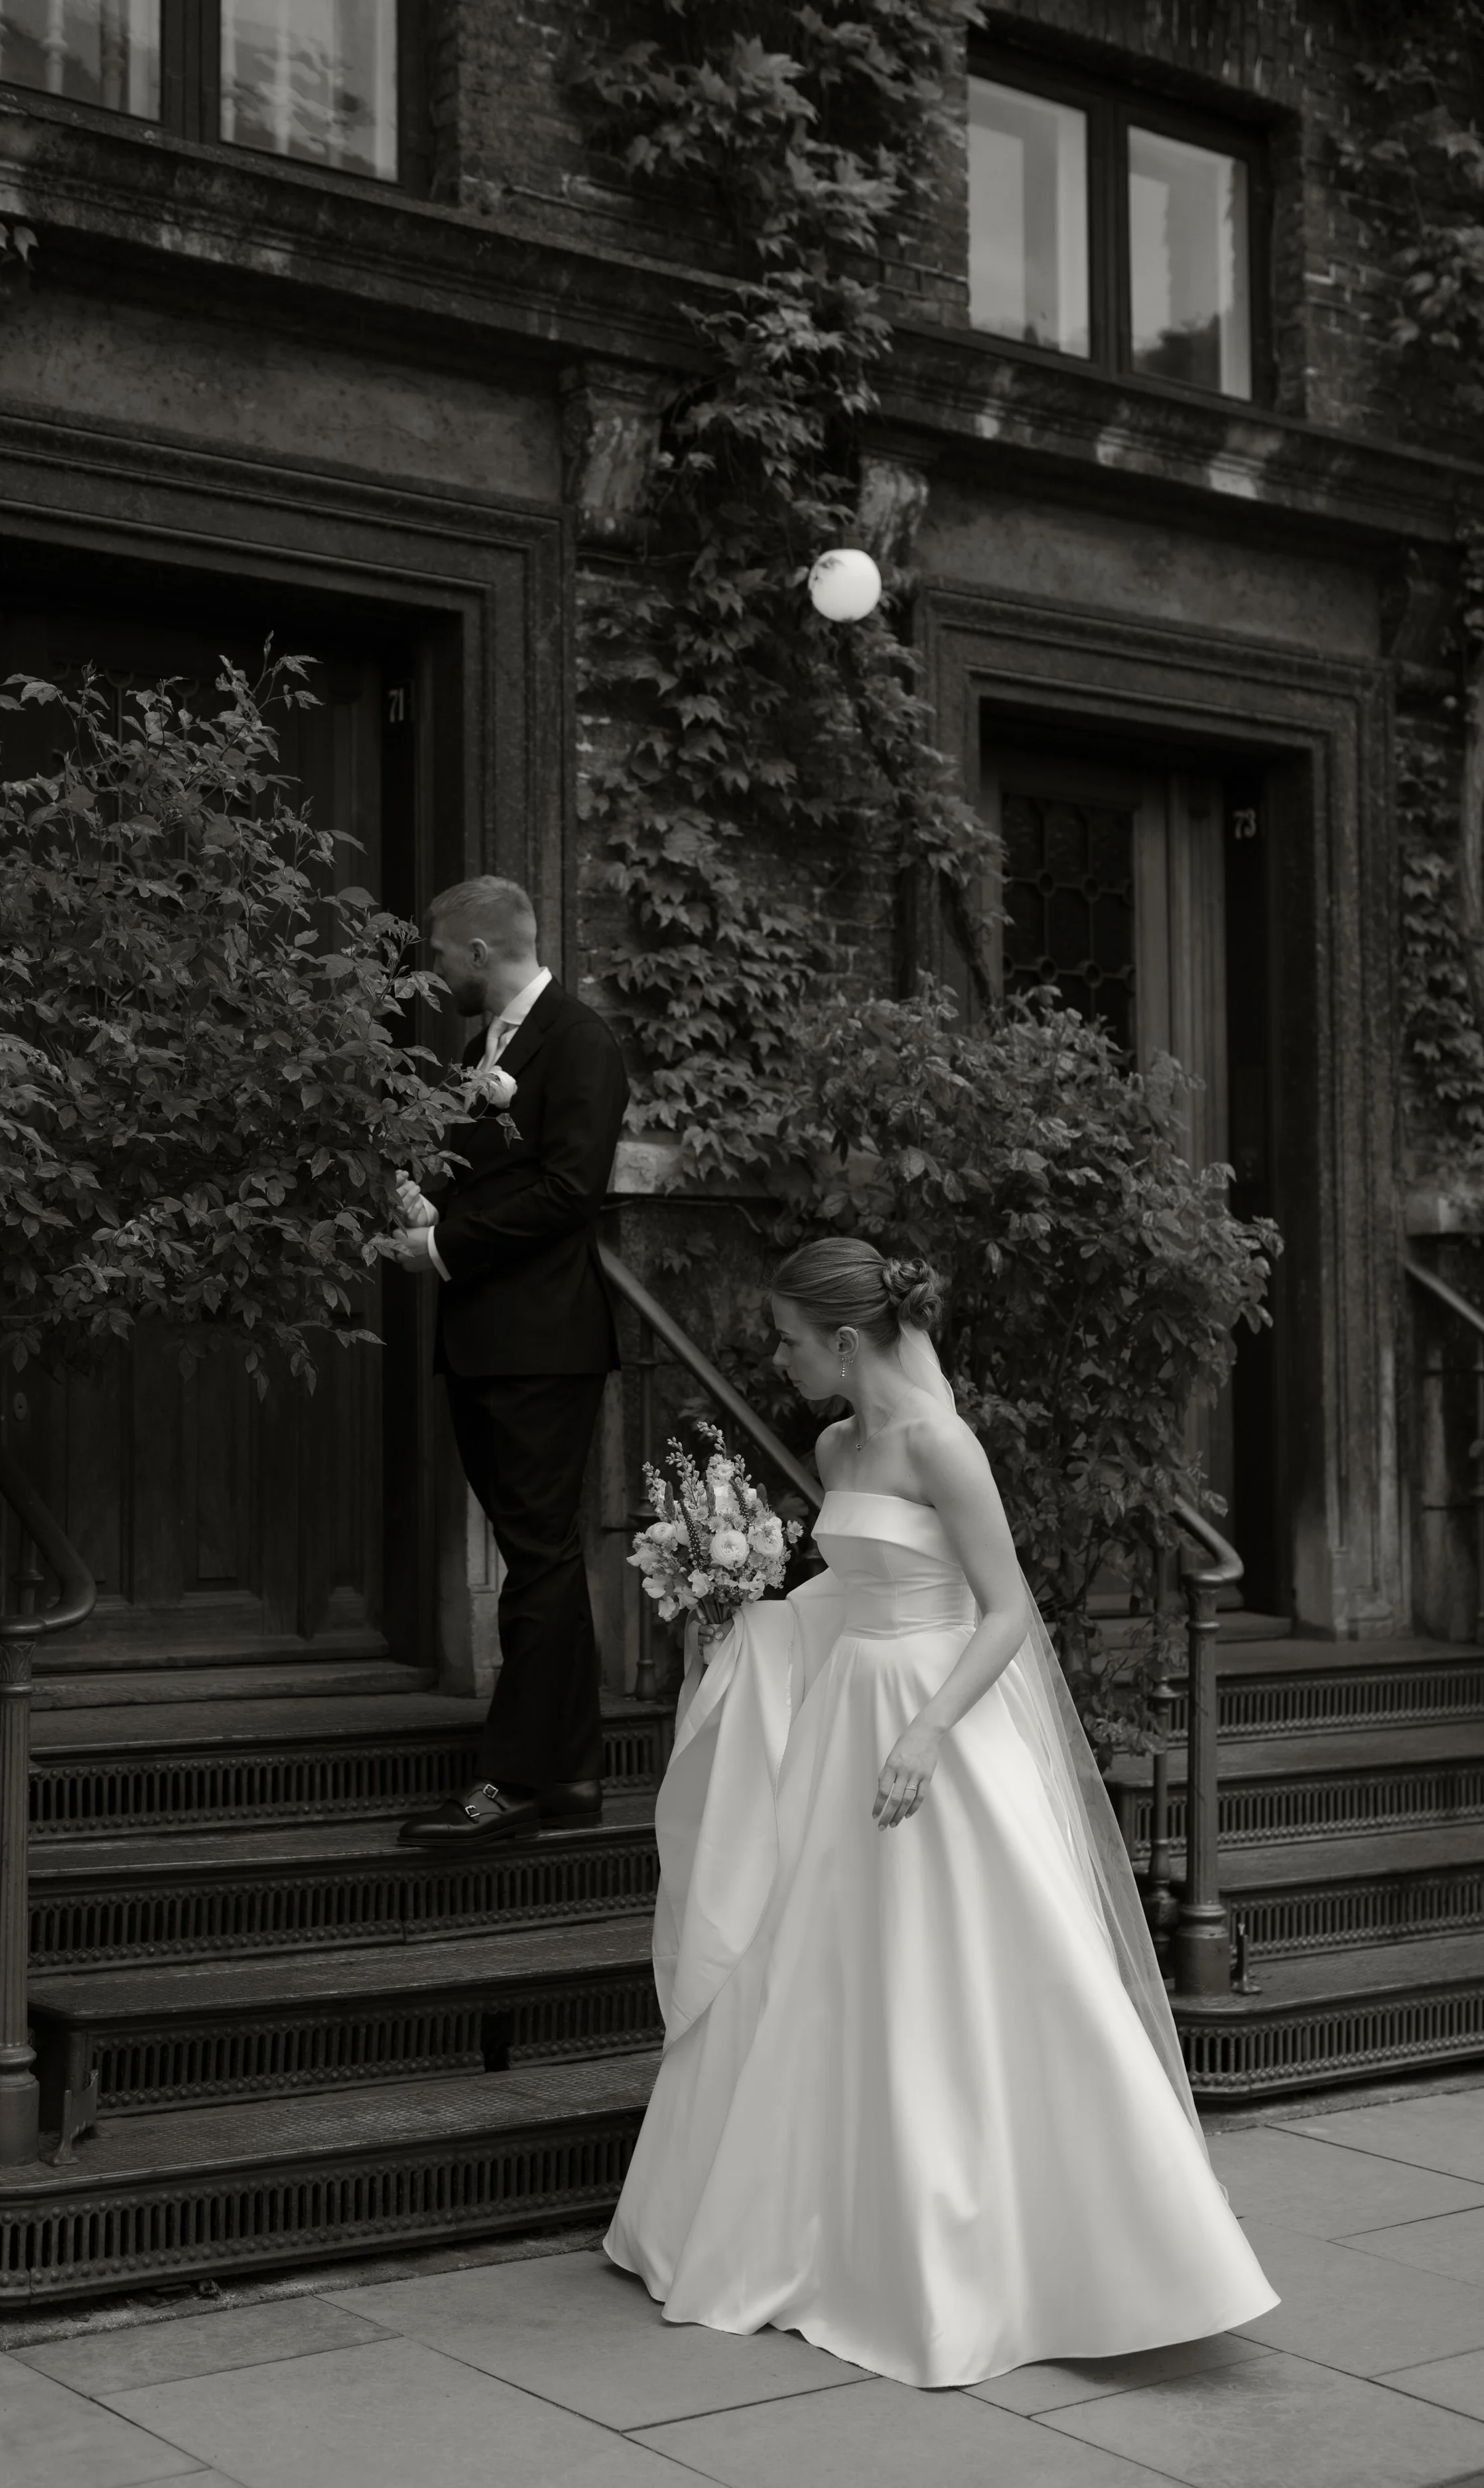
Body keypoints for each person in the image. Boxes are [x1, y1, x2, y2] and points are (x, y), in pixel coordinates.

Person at [604, 1237, 1277, 2388]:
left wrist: (925, 1733)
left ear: (849, 1340)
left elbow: (1006, 1610)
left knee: (978, 1970)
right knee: (820, 1969)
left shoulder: (942, 1445)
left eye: (791, 1339)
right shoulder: (834, 1442)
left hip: (936, 1724)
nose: (781, 1356)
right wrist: (749, 1615)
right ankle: (815, 2228)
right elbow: (859, 1583)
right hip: (842, 1722)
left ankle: (1079, 2253)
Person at [392, 876, 629, 1848]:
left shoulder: (578, 1041)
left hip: (542, 1344)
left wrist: (446, 1250)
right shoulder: (475, 1050)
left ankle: (514, 1782)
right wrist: (429, 1208)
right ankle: (570, 1772)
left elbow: (570, 1192)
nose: (432, 974)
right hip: (489, 1339)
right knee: (544, 1558)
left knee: (535, 1560)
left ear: (481, 954)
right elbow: (503, 1181)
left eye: (441, 958)